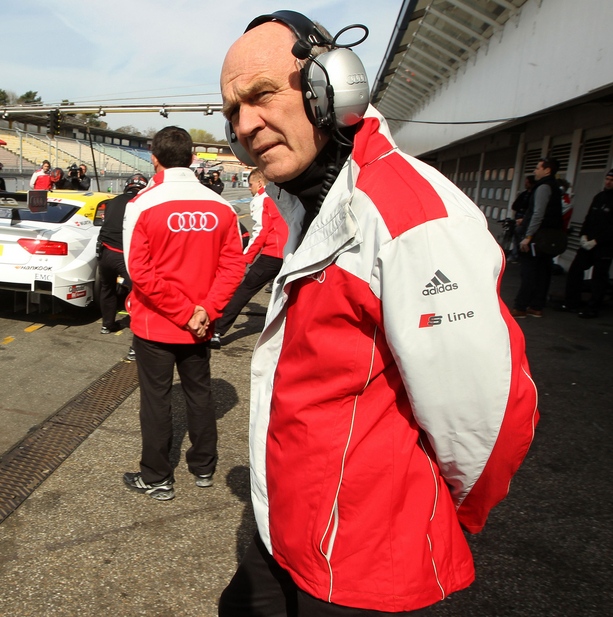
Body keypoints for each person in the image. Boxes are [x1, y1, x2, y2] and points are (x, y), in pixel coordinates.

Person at [218, 12, 538, 615]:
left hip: (363, 564)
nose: (246, 124)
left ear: (332, 87)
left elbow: (487, 419)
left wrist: (441, 514)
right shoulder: (312, 199)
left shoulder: (410, 217)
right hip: (291, 533)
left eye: (261, 95)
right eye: (233, 110)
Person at [121, 126, 245, 501]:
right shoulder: (222, 206)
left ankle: (157, 476)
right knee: (200, 394)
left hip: (155, 323)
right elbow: (234, 267)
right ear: (193, 158)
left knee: (156, 401)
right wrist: (204, 310)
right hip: (201, 325)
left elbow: (138, 271)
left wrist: (182, 311)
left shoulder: (141, 204)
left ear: (153, 157)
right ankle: (204, 467)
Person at [210, 168, 287, 348]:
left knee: (244, 290)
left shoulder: (262, 199)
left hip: (273, 254)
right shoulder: (283, 196)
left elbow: (261, 231)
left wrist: (245, 258)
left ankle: (217, 331)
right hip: (291, 251)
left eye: (250, 184)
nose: (249, 189)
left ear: (260, 183)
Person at [511, 157, 564, 318]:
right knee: (543, 272)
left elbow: (538, 214)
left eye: (538, 167)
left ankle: (520, 307)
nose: (535, 171)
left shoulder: (543, 187)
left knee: (529, 272)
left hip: (537, 239)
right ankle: (536, 306)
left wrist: (528, 236)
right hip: (547, 239)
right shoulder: (554, 187)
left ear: (547, 170)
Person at [97, 173, 148, 334]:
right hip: (125, 254)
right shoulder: (141, 202)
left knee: (107, 288)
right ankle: (138, 336)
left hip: (104, 251)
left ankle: (107, 324)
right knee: (140, 294)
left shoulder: (113, 201)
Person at [562, 169, 613, 318]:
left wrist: (598, 241)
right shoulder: (599, 197)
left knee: (599, 278)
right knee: (575, 270)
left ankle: (592, 308)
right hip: (588, 243)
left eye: (612, 180)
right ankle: (571, 302)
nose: (609, 182)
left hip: (604, 247)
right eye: (607, 179)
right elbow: (589, 217)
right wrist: (583, 235)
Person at [509, 175, 536, 262]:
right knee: (516, 238)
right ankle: (515, 255)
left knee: (522, 239)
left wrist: (524, 209)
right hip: (518, 219)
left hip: (526, 221)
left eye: (527, 183)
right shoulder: (523, 194)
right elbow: (515, 205)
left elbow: (530, 208)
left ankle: (521, 257)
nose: (525, 184)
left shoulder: (534, 194)